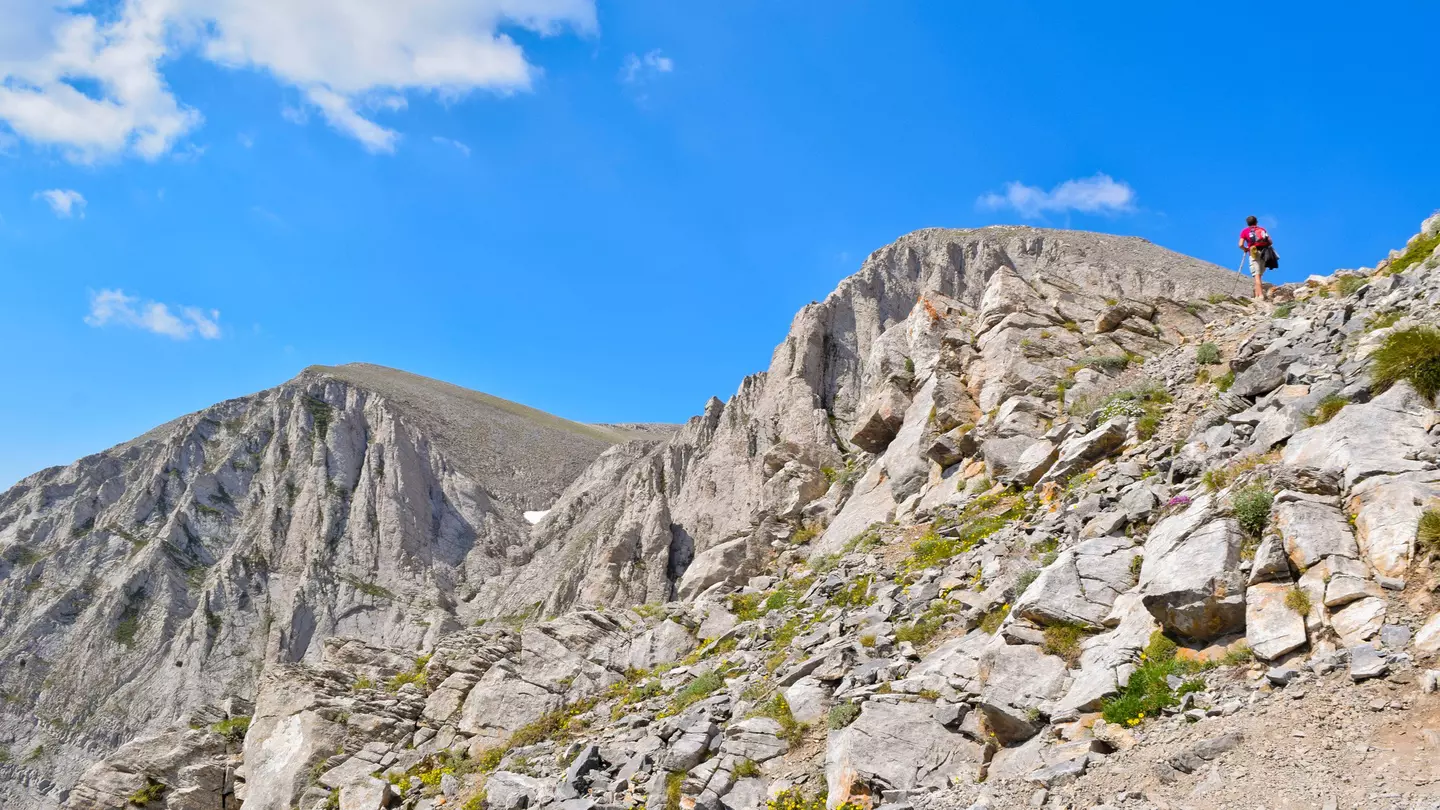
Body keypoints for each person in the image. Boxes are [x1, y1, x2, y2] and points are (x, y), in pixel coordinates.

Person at [1238, 216, 1278, 300]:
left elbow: (1240, 244)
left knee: (1257, 275)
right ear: (1256, 222)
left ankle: (1260, 296)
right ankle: (1256, 295)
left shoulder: (1245, 231)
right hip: (1265, 253)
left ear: (1247, 223)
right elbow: (1270, 241)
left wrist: (1245, 249)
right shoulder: (1262, 229)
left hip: (1254, 253)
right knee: (1259, 275)